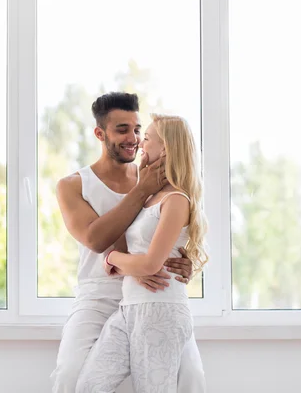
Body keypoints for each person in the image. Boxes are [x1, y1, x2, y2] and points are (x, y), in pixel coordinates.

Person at [51, 92, 205, 392]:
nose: (133, 138)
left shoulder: (155, 175)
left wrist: (184, 263)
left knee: (192, 376)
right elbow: (96, 240)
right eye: (122, 129)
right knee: (69, 375)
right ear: (100, 133)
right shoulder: (73, 185)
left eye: (137, 129)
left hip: (153, 293)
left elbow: (172, 229)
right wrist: (141, 189)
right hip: (100, 295)